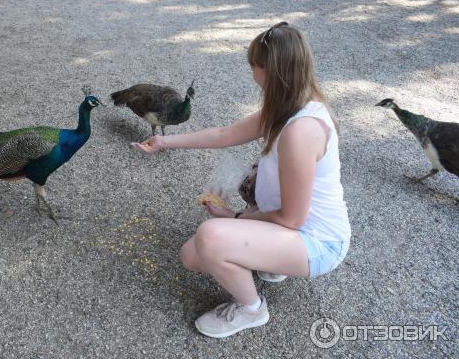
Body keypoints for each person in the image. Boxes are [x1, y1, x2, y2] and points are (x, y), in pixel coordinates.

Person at [131, 22, 351, 339]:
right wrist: (166, 142)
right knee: (191, 257)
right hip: (292, 225)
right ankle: (272, 261)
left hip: (317, 240)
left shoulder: (301, 131)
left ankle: (251, 309)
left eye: (255, 67)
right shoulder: (290, 106)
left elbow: (293, 217)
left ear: (273, 73)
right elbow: (224, 135)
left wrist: (235, 217)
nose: (252, 75)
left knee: (209, 239)